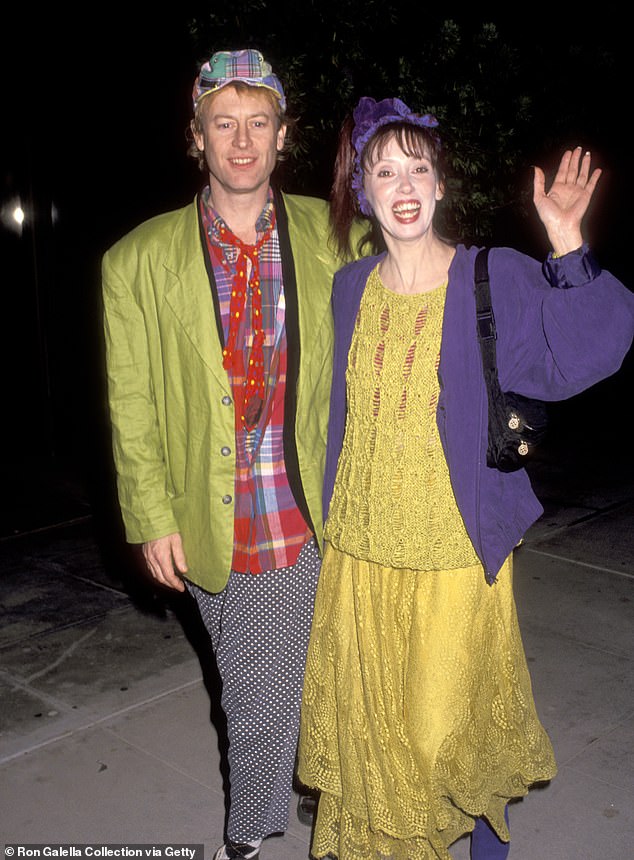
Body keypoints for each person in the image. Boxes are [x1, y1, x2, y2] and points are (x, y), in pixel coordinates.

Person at [297, 96, 634, 859]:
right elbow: (342, 417)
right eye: (385, 171)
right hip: (359, 551)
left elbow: (589, 352)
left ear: (442, 185)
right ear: (364, 191)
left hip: (453, 552)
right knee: (376, 740)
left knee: (443, 737)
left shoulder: (493, 276)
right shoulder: (350, 288)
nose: (404, 183)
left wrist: (567, 240)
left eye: (419, 167)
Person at [101, 50, 366, 860]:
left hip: (322, 495)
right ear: (197, 137)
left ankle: (301, 819)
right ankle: (259, 829)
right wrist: (150, 519)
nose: (242, 142)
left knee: (301, 682)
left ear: (283, 136)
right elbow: (132, 403)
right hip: (217, 509)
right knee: (263, 688)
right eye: (225, 125)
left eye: (259, 124)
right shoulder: (136, 261)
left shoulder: (338, 238)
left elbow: (421, 320)